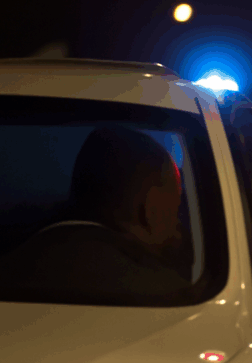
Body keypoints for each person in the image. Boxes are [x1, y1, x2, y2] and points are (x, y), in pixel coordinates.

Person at [0, 125, 191, 303]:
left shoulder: (13, 265)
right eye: (175, 206)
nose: (178, 226)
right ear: (151, 209)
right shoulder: (164, 292)